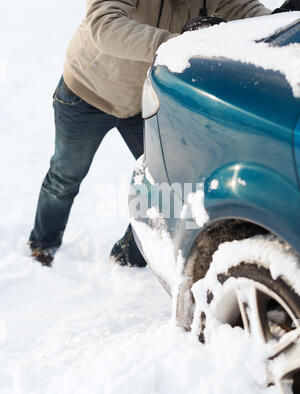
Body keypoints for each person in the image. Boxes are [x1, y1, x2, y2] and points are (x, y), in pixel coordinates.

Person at [29, 0, 299, 268]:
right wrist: (176, 43)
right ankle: (43, 244)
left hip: (141, 99)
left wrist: (277, 22)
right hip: (87, 92)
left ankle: (128, 256)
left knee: (166, 182)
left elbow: (243, 9)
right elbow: (104, 24)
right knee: (65, 175)